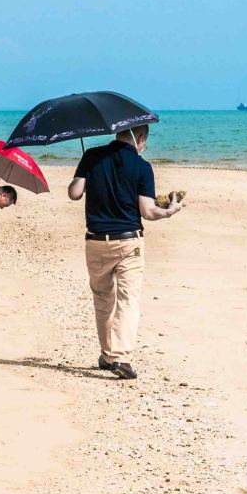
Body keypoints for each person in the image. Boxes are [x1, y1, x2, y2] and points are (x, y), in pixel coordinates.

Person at [67, 125, 183, 380]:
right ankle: (120, 357)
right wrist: (171, 210)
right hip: (128, 241)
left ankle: (108, 355)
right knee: (128, 300)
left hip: (96, 241)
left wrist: (84, 171)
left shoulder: (92, 155)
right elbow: (149, 211)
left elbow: (74, 193)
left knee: (103, 299)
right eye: (145, 141)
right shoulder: (142, 167)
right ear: (140, 138)